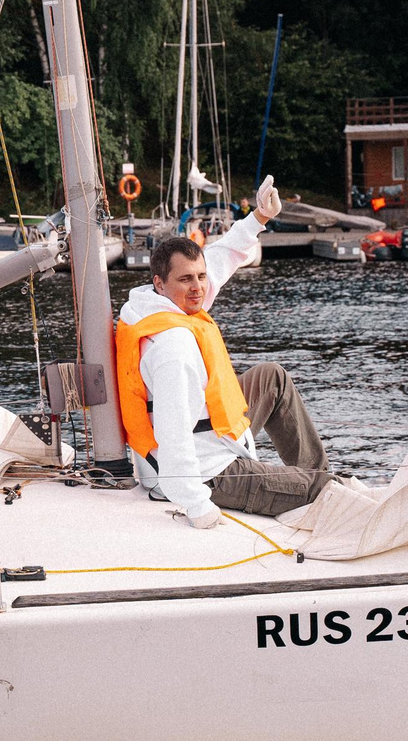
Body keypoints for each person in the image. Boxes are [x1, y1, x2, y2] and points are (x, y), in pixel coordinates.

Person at [115, 176, 332, 527]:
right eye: (187, 279)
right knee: (328, 489)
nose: (199, 287)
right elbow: (173, 435)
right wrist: (196, 505)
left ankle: (307, 482)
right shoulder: (173, 346)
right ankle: (318, 490)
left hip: (211, 440)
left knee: (271, 377)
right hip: (208, 473)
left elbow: (219, 257)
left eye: (200, 277)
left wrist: (259, 217)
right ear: (160, 283)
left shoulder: (157, 303)